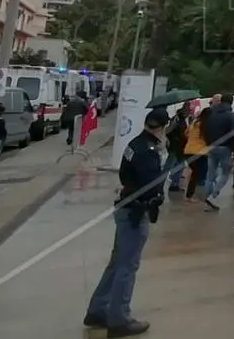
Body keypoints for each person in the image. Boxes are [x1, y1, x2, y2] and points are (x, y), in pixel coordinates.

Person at [83, 108, 168, 337]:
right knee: (127, 266)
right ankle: (119, 318)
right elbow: (149, 184)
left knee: (117, 262)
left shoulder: (135, 143)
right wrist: (156, 197)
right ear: (161, 127)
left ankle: (98, 309)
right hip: (134, 213)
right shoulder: (149, 151)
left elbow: (127, 176)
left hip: (125, 208)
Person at [200, 95, 234, 212]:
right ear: (231, 102)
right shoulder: (231, 115)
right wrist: (233, 148)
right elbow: (233, 133)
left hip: (211, 146)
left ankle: (207, 200)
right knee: (225, 174)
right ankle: (213, 196)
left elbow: (204, 129)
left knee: (210, 176)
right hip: (225, 147)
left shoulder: (211, 113)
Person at [181, 109, 209, 204]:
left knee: (193, 173)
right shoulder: (205, 125)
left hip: (188, 150)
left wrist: (192, 140)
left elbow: (186, 133)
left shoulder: (194, 123)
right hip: (199, 152)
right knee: (195, 175)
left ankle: (189, 194)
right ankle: (189, 196)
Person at [165, 105, 191, 192]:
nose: (189, 113)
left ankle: (174, 184)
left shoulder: (182, 120)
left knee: (178, 165)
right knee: (170, 165)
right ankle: (161, 182)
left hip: (179, 147)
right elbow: (169, 132)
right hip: (176, 146)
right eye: (188, 111)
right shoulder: (177, 120)